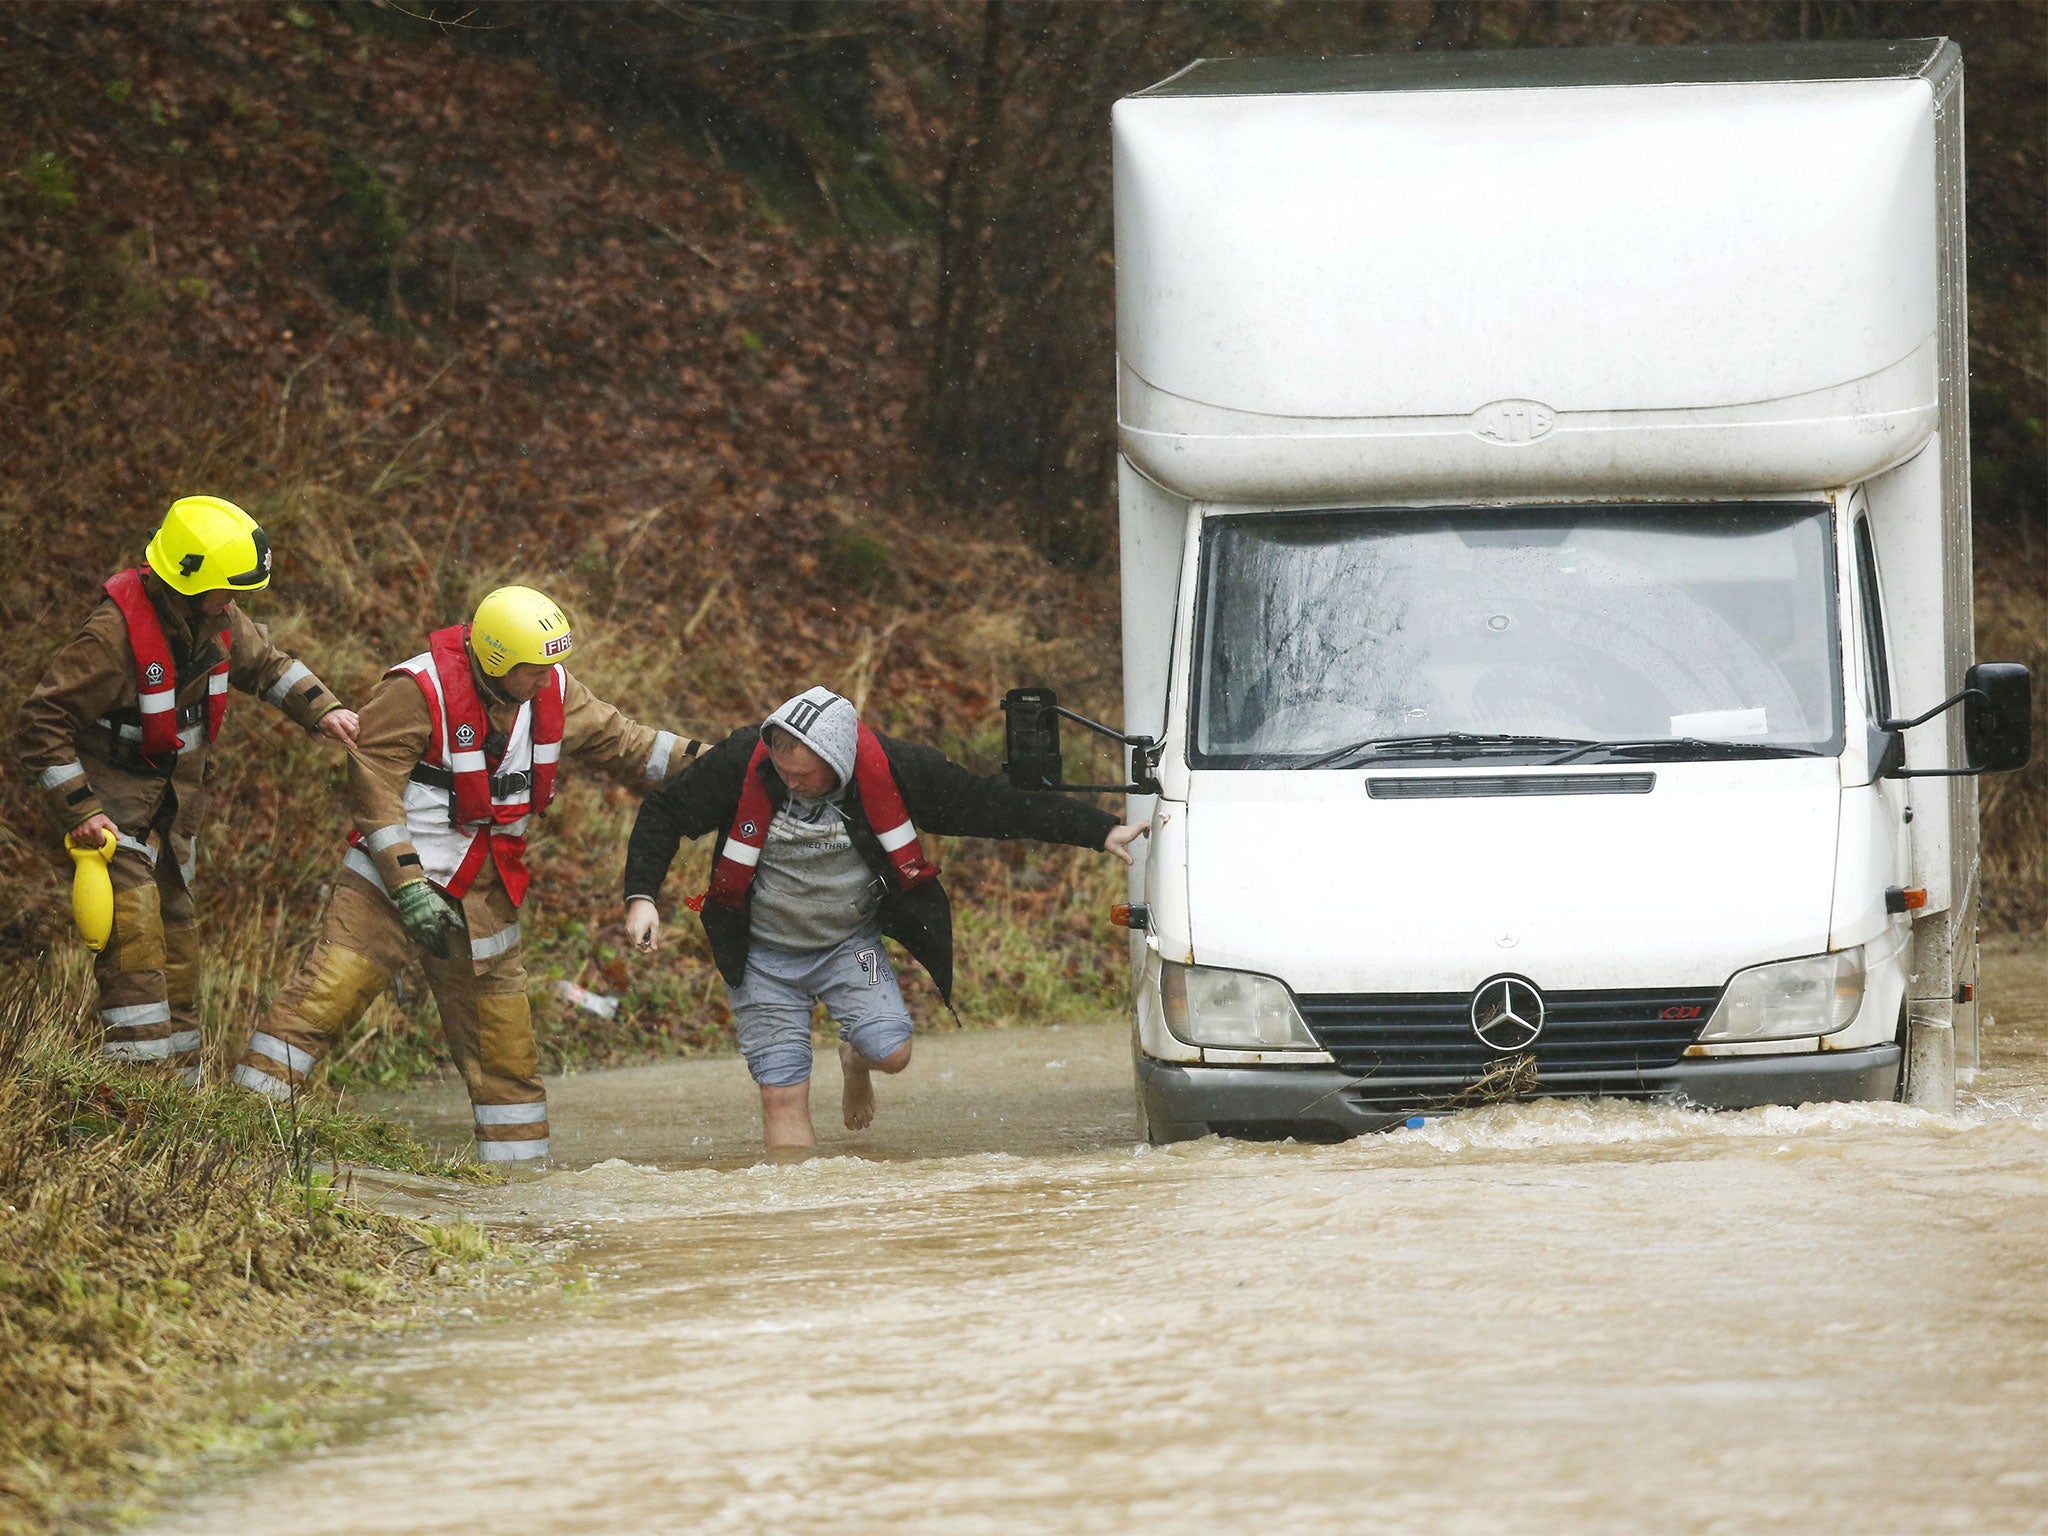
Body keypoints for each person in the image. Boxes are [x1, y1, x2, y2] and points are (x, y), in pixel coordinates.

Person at [235, 585, 707, 1166]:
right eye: (533, 671)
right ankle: (237, 1141)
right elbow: (373, 789)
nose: (547, 680)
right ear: (496, 660)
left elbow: (629, 743)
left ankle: (519, 1194)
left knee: (504, 1053)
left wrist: (717, 762)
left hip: (484, 895)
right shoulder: (416, 690)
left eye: (551, 667)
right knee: (322, 1003)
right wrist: (408, 886)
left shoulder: (551, 687)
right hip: (387, 887)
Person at [621, 685, 1147, 1151]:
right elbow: (664, 812)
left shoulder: (898, 769)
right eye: (783, 774)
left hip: (851, 946)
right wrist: (642, 896)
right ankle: (800, 1227)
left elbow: (991, 805)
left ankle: (855, 1060)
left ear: (840, 763)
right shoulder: (743, 761)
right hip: (760, 954)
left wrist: (1099, 831)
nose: (791, 784)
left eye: (804, 776)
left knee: (892, 1053)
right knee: (782, 1095)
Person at [14, 496, 357, 1084]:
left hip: (174, 817)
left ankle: (183, 1094)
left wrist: (325, 711)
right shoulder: (110, 638)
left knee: (177, 948)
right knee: (135, 943)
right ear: (185, 580)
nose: (236, 602)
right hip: (112, 814)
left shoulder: (214, 620)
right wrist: (80, 810)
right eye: (227, 590)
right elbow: (41, 723)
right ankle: (138, 1093)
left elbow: (269, 667)